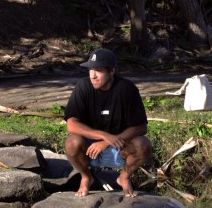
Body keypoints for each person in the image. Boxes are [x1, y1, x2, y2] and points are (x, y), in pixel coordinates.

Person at [64, 48, 152, 197]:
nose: (93, 75)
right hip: (90, 148)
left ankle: (123, 177)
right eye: (90, 70)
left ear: (111, 71)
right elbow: (71, 124)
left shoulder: (126, 89)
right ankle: (86, 177)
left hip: (120, 147)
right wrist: (104, 136)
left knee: (143, 144)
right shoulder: (83, 87)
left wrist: (108, 142)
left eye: (98, 70)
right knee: (71, 143)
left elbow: (141, 127)